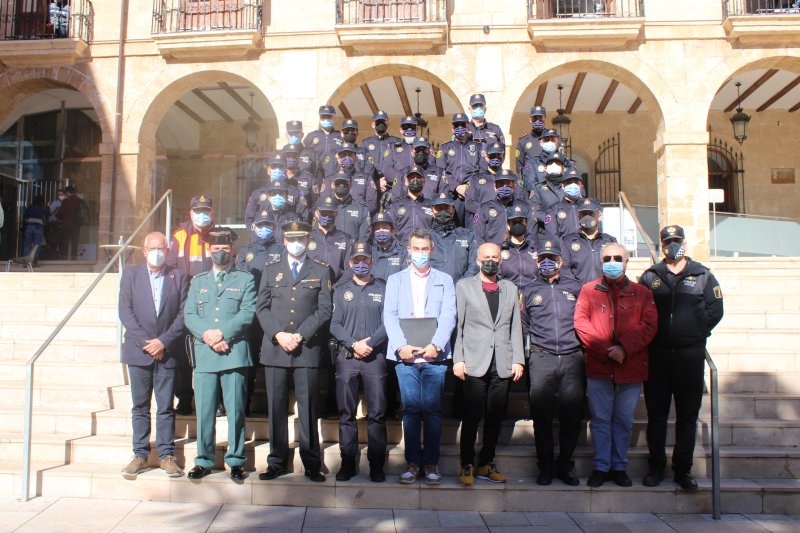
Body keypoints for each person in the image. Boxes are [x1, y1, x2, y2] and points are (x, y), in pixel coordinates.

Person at [639, 225, 724, 490]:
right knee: (657, 415)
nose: (672, 245)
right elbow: (640, 309)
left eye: (676, 241)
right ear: (661, 244)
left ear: (684, 244)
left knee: (687, 417)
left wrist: (697, 331)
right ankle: (655, 468)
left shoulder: (702, 275)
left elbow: (715, 309)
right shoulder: (650, 276)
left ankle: (682, 470)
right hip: (658, 354)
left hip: (690, 355)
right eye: (667, 241)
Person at [574, 242, 658, 488]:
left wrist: (624, 348)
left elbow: (649, 326)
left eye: (618, 258)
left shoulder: (643, 293)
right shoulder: (588, 290)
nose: (613, 262)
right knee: (600, 419)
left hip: (630, 367)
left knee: (623, 419)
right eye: (608, 258)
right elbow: (581, 323)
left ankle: (619, 466)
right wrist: (605, 351)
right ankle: (601, 466)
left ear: (627, 262)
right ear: (601, 262)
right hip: (599, 366)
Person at [257, 220, 333, 483]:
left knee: (308, 408)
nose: (296, 243)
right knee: (276, 407)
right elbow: (262, 308)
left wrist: (300, 335)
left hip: (306, 349)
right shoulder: (271, 269)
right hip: (276, 348)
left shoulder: (321, 270)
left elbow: (324, 309)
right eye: (291, 239)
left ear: (308, 239)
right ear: (284, 241)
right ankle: (276, 461)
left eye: (301, 238)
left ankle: (312, 462)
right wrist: (278, 334)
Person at [383, 229, 456, 485]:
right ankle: (413, 463)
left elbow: (449, 315)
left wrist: (437, 344)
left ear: (432, 250)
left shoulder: (445, 279)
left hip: (435, 356)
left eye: (425, 249)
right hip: (405, 357)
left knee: (433, 411)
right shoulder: (396, 280)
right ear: (409, 250)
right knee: (412, 410)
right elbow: (389, 315)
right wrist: (400, 346)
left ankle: (432, 462)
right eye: (417, 248)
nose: (421, 253)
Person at [183, 227, 257, 481]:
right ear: (208, 251)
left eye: (225, 249)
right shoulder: (198, 281)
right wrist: (210, 336)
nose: (220, 253)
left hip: (234, 353)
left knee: (236, 410)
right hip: (205, 354)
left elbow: (247, 313)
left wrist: (223, 334)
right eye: (216, 249)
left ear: (232, 251)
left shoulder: (245, 280)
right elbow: (189, 315)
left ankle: (236, 461)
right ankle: (203, 460)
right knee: (204, 410)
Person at [453, 242, 524, 487]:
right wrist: (458, 359)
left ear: (500, 261)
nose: (491, 261)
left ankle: (487, 461)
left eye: (495, 257)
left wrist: (518, 359)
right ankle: (467, 463)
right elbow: (459, 326)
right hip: (473, 361)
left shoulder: (510, 288)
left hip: (502, 362)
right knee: (471, 416)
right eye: (486, 257)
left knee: (495, 417)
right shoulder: (464, 287)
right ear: (477, 260)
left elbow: (515, 326)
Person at [119, 232, 189, 480]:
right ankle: (140, 454)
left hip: (167, 352)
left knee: (165, 407)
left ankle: (166, 455)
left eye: (162, 248)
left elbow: (183, 314)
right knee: (140, 406)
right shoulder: (130, 274)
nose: (158, 252)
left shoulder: (178, 275)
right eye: (153, 248)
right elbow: (125, 312)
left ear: (167, 250)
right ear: (144, 250)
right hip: (139, 352)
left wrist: (164, 341)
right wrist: (146, 342)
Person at [521, 239, 584, 486]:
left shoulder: (576, 287)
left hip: (572, 357)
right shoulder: (529, 290)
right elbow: (524, 324)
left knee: (572, 415)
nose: (547, 262)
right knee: (542, 417)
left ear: (561, 261)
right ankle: (545, 466)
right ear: (537, 262)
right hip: (542, 357)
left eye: (553, 258)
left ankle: (566, 465)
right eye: (542, 258)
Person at [329, 242, 389, 482]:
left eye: (365, 260)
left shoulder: (384, 288)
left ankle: (376, 464)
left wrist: (370, 344)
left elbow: (389, 322)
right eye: (356, 261)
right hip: (348, 358)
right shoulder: (341, 290)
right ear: (350, 263)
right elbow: (334, 324)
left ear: (372, 262)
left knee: (377, 414)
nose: (361, 264)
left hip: (375, 359)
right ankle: (348, 462)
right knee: (346, 413)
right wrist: (354, 344)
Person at [168, 194, 215, 415]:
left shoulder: (219, 235)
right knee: (182, 356)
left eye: (206, 211)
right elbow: (170, 268)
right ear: (190, 213)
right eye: (198, 211)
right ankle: (185, 399)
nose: (202, 215)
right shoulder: (179, 236)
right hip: (185, 305)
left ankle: (217, 401)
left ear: (212, 213)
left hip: (212, 306)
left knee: (213, 353)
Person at [561, 198, 617, 285]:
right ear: (578, 215)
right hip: (580, 294)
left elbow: (616, 267)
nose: (587, 217)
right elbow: (564, 269)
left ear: (599, 215)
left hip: (605, 292)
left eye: (591, 213)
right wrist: (576, 288)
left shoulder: (609, 241)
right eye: (584, 214)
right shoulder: (568, 241)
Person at [58, 185, 82, 260]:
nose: (65, 195)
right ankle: (74, 256)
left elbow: (60, 213)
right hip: (76, 225)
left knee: (65, 240)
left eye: (65, 193)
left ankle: (64, 256)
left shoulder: (65, 201)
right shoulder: (79, 201)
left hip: (66, 224)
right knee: (75, 241)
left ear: (68, 192)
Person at [22, 195, 48, 260]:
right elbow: (48, 213)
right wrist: (47, 205)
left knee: (27, 244)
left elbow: (25, 217)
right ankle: (34, 261)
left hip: (29, 227)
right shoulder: (42, 207)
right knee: (36, 245)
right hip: (38, 227)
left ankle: (26, 261)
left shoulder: (30, 207)